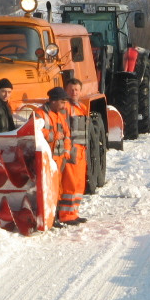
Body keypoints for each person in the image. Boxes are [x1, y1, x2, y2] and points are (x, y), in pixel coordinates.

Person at [33, 86, 72, 228]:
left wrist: (66, 152)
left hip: (59, 158)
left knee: (58, 188)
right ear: (54, 101)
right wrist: (53, 136)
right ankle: (51, 218)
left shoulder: (60, 114)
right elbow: (36, 131)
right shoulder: (39, 114)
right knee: (49, 188)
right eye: (62, 102)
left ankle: (56, 216)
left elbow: (67, 134)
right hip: (47, 159)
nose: (64, 105)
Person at [58, 78, 88, 225]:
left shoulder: (81, 107)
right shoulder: (66, 107)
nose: (74, 92)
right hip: (72, 150)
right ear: (66, 90)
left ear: (80, 91)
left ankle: (74, 212)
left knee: (78, 184)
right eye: (71, 89)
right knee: (69, 183)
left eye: (76, 89)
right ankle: (66, 215)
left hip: (81, 150)